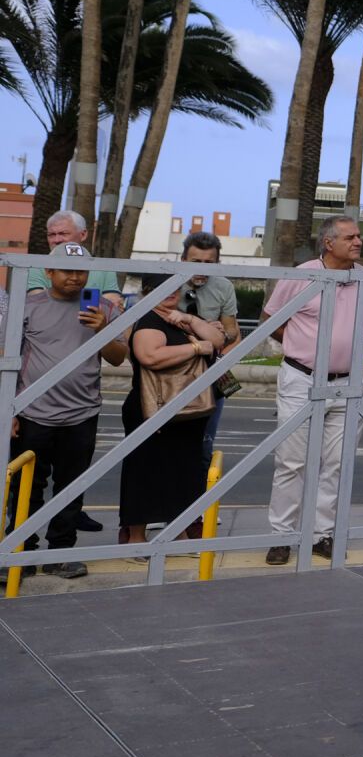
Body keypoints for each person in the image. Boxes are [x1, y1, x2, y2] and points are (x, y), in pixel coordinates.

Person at [263, 215, 363, 564]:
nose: (358, 242)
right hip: (302, 378)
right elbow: (273, 321)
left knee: (336, 464)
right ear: (329, 243)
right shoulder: (301, 274)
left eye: (359, 236)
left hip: (348, 383)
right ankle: (282, 537)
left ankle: (321, 535)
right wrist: (303, 347)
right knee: (292, 462)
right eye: (350, 237)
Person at [9, 244, 128, 578]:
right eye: (67, 270)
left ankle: (60, 552)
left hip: (82, 414)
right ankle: (19, 552)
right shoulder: (29, 305)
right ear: (49, 272)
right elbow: (8, 360)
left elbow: (119, 357)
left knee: (71, 488)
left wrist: (102, 328)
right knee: (25, 488)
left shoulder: (101, 306)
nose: (75, 278)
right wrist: (10, 412)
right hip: (32, 412)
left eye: (81, 271)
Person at [121, 277, 221, 550]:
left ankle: (178, 533)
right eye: (162, 290)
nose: (170, 294)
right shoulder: (148, 319)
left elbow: (218, 340)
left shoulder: (182, 317)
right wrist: (195, 347)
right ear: (147, 292)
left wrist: (191, 322)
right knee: (143, 472)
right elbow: (149, 356)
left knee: (184, 473)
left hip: (188, 408)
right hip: (151, 408)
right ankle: (136, 538)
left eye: (174, 289)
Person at [178, 231, 240, 458]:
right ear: (183, 260)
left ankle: (200, 491)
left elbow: (233, 332)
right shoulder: (168, 283)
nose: (202, 268)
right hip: (174, 370)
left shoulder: (224, 287)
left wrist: (224, 333)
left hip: (210, 370)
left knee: (204, 444)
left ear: (217, 263)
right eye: (196, 262)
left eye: (209, 263)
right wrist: (199, 327)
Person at [25, 209, 122, 294]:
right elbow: (38, 302)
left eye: (63, 234)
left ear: (83, 235)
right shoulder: (36, 267)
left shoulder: (104, 268)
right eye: (51, 235)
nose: (57, 240)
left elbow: (114, 304)